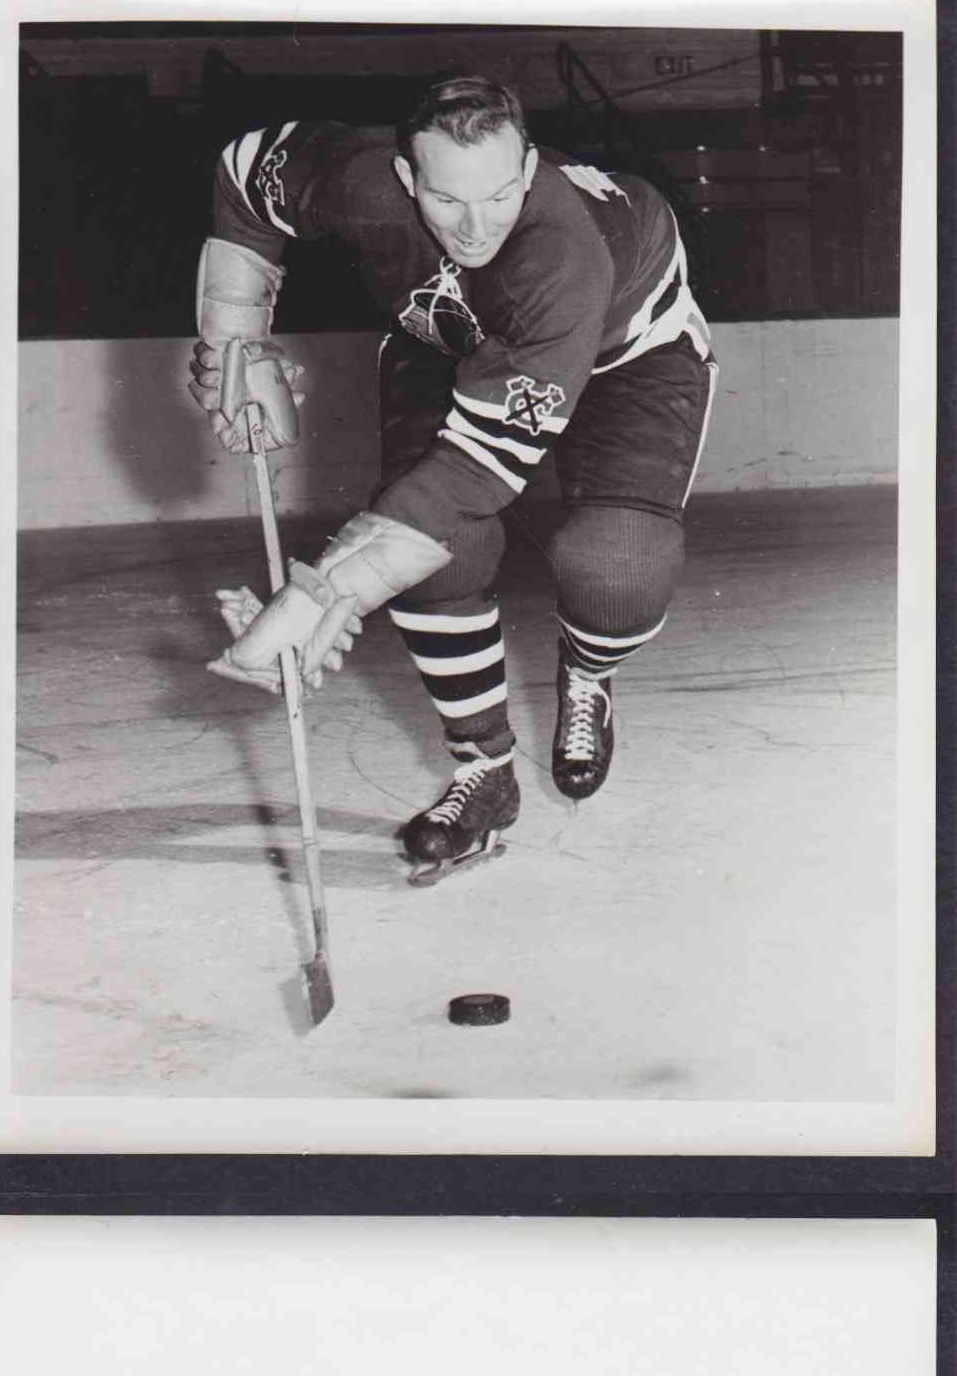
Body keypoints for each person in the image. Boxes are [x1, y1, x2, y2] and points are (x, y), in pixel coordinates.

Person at [190, 74, 716, 881]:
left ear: (530, 167)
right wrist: (237, 339)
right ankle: (484, 773)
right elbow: (243, 174)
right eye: (445, 202)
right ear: (405, 178)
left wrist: (327, 589)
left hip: (627, 357)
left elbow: (480, 467)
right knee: (443, 560)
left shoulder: (562, 255)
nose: (476, 229)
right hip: (451, 347)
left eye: (501, 196)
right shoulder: (358, 180)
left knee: (616, 564)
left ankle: (588, 674)